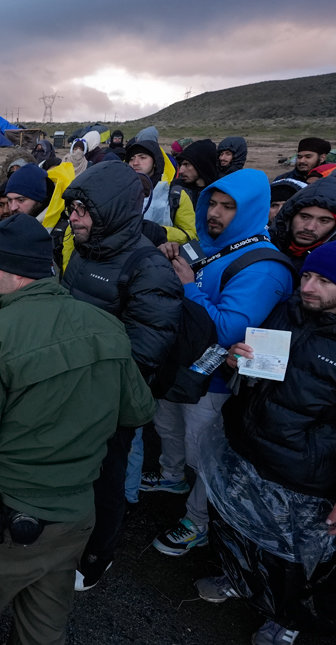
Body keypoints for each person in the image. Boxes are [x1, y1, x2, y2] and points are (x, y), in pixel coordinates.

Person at [0, 213, 155, 644]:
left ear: (15, 272)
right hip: (74, 516)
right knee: (44, 628)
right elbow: (137, 410)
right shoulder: (106, 326)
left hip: (2, 521)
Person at [144, 169, 294, 556]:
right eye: (212, 202)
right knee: (168, 427)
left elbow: (229, 330)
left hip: (213, 381)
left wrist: (188, 287)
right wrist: (170, 258)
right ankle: (171, 475)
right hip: (179, 364)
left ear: (252, 211)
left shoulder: (264, 266)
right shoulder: (211, 243)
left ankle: (198, 522)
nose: (215, 213)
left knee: (206, 456)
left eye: (228, 207)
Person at [195, 242, 336, 645]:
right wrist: (239, 359)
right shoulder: (292, 308)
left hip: (305, 473)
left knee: (295, 555)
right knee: (243, 527)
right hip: (251, 445)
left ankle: (287, 619)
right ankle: (239, 579)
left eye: (324, 280)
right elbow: (264, 367)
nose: (308, 286)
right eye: (307, 275)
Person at [61, 161, 183, 589]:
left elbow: (144, 354)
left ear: (111, 211)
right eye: (71, 207)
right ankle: (70, 537)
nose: (72, 216)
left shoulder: (149, 269)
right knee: (74, 473)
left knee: (106, 480)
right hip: (71, 390)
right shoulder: (84, 251)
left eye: (81, 208)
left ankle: (97, 556)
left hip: (111, 404)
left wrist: (96, 395)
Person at [125, 139, 197, 242]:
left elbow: (191, 234)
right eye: (131, 159)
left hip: (162, 256)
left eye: (142, 157)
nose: (135, 163)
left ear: (155, 161)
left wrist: (162, 232)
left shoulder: (175, 195)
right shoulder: (119, 191)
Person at [269, 176, 336, 273]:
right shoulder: (264, 245)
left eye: (324, 221)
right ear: (290, 216)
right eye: (304, 217)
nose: (310, 227)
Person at [173, 139, 219, 208]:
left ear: (201, 165)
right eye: (181, 165)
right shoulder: (176, 188)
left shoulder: (219, 192)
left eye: (186, 164)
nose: (181, 171)